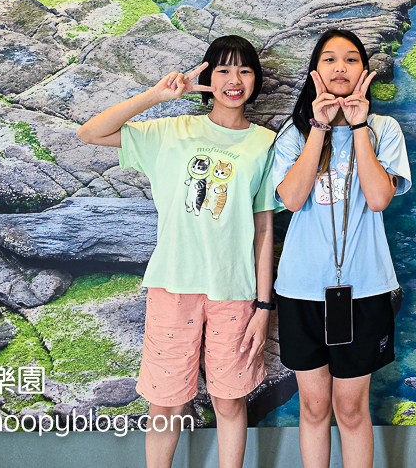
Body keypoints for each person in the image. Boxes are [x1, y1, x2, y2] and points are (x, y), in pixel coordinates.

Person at [77, 35, 277, 468]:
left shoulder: (265, 143)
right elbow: (90, 133)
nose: (233, 79)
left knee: (229, 400)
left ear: (256, 79)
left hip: (234, 290)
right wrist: (157, 95)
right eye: (222, 69)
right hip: (172, 285)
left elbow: (264, 227)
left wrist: (264, 304)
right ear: (207, 76)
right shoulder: (170, 132)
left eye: (244, 70)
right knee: (165, 403)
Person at [273, 28, 411, 468]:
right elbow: (292, 200)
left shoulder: (384, 129)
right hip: (301, 289)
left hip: (366, 289)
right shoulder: (292, 133)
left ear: (364, 72)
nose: (340, 67)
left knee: (350, 409)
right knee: (313, 408)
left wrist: (356, 126)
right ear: (316, 71)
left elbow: (377, 198)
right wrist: (317, 126)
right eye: (330, 59)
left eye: (350, 59)